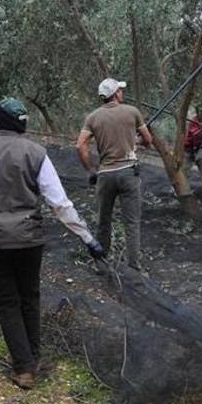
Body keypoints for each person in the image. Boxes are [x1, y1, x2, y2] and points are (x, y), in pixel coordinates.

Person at [0, 97, 105, 390]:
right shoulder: (37, 153)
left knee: (7, 302)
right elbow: (59, 203)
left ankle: (24, 369)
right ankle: (32, 358)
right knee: (29, 297)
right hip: (28, 239)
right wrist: (87, 237)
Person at [75, 78, 153, 271]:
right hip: (129, 172)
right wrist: (136, 141)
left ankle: (101, 264)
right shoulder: (132, 111)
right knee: (132, 222)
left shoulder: (93, 117)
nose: (122, 92)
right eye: (120, 90)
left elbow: (80, 144)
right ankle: (134, 266)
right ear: (116, 94)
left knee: (103, 221)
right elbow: (148, 140)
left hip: (105, 174)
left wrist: (91, 170)